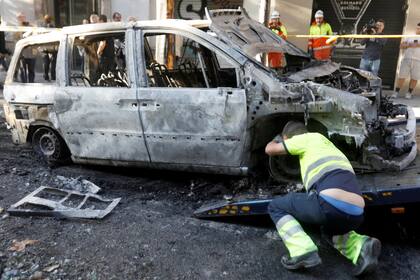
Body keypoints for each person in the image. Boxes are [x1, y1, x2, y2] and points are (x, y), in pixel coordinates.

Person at [265, 121, 381, 276]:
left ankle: (302, 251)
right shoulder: (327, 144)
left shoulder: (304, 139)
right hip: (357, 212)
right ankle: (362, 246)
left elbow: (269, 150)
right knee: (329, 232)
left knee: (276, 206)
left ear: (288, 138)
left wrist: (277, 138)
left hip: (330, 204)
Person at [392, 22, 420, 99]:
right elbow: (401, 46)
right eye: (417, 28)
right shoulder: (410, 36)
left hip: (418, 61)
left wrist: (416, 45)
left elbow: (417, 45)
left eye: (419, 29)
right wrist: (410, 45)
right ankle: (396, 92)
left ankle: (409, 93)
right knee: (402, 76)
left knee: (414, 78)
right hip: (407, 59)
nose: (418, 30)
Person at [40, 15, 57, 81]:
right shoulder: (43, 27)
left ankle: (53, 76)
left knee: (53, 64)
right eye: (47, 19)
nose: (48, 20)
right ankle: (46, 75)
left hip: (52, 48)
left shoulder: (53, 27)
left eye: (49, 19)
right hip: (44, 48)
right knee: (46, 63)